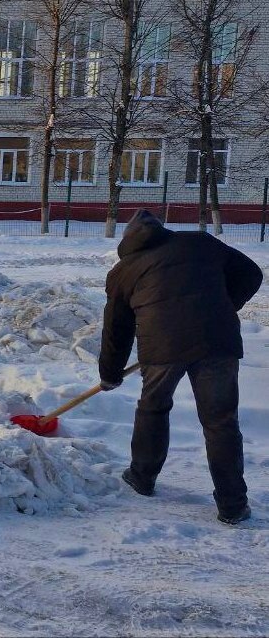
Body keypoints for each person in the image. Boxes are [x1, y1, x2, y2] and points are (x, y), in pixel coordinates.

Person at [100, 209, 263, 525]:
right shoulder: (201, 243)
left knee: (153, 408)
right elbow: (251, 274)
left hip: (162, 348)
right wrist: (224, 305)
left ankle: (142, 476)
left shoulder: (123, 271)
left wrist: (110, 373)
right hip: (217, 342)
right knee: (221, 422)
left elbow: (116, 329)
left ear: (127, 241)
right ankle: (232, 505)